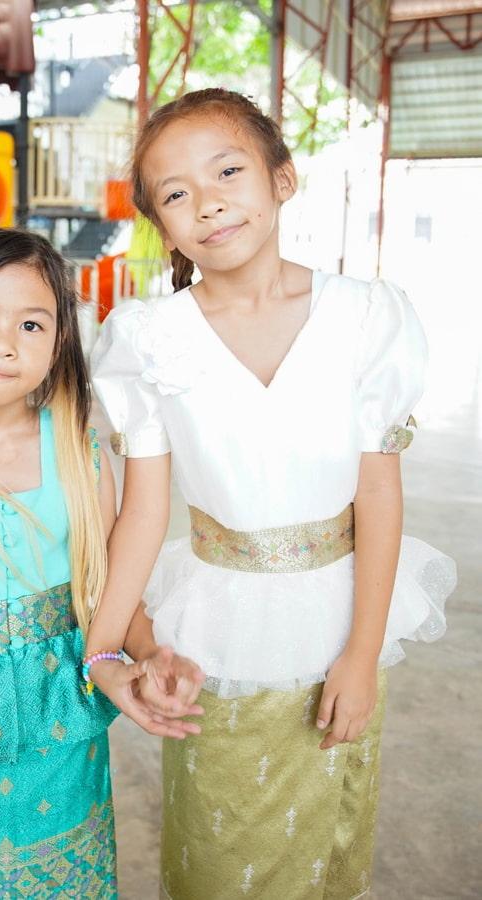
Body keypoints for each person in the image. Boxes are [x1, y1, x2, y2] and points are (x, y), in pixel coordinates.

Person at [87, 89, 457, 898]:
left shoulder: (366, 317)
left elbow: (378, 497)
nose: (208, 201)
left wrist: (360, 658)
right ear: (161, 222)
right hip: (218, 631)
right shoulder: (149, 338)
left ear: (282, 179)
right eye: (176, 194)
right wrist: (104, 647)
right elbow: (144, 512)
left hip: (337, 623)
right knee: (222, 850)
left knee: (326, 842)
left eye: (228, 171)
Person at [0, 226, 202, 898]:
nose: (3, 341)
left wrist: (149, 656)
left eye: (31, 323)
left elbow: (109, 592)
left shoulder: (82, 458)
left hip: (67, 733)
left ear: (60, 343)